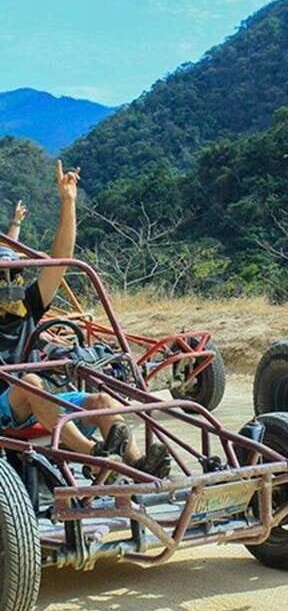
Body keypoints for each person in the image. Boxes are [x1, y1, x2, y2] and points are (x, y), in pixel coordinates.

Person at [0, 161, 170, 478]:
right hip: (10, 403)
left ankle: (137, 466)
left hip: (38, 400)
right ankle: (94, 456)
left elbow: (60, 259)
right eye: (3, 277)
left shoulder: (27, 306)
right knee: (32, 382)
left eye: (13, 275)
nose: (10, 283)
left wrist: (68, 201)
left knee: (102, 399)